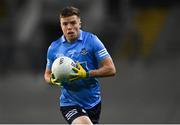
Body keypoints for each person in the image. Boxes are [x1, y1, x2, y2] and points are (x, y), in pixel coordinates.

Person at [44, 6, 116, 124]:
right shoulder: (54, 48)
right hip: (69, 103)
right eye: (65, 24)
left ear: (80, 23)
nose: (69, 28)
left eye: (73, 23)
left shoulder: (92, 41)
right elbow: (47, 74)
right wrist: (52, 80)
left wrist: (86, 74)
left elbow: (111, 69)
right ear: (61, 25)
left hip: (93, 102)